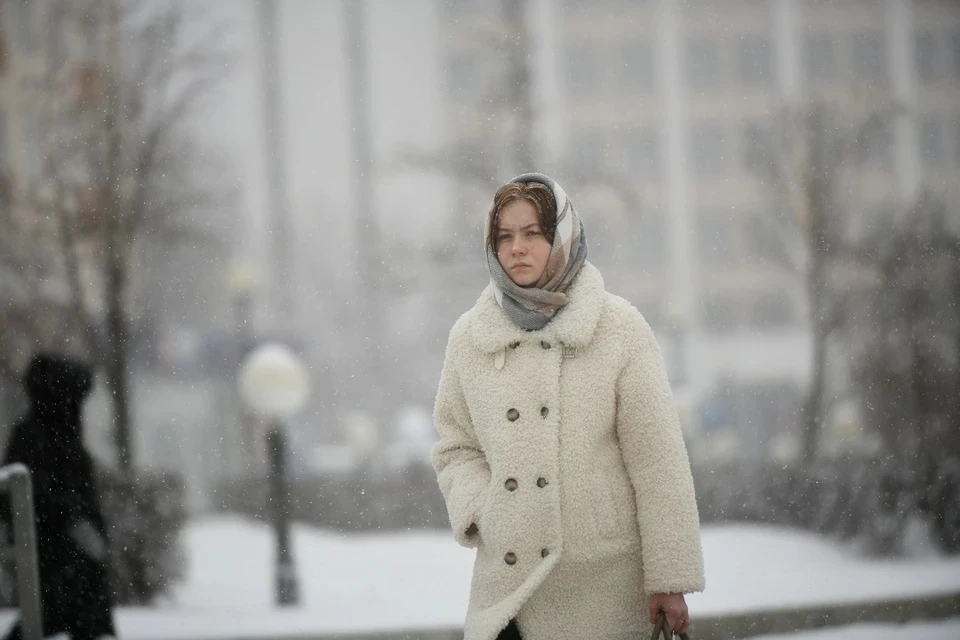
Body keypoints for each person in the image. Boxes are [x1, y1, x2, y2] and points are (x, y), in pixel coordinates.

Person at [431, 173, 704, 640]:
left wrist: (670, 578)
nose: (517, 248)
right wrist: (483, 509)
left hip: (603, 583)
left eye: (533, 233)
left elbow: (658, 461)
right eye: (504, 236)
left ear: (563, 237)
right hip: (508, 589)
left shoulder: (618, 328)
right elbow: (455, 446)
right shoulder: (471, 337)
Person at [2, 353, 116, 640]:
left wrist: (91, 531)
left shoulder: (64, 435)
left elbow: (79, 493)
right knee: (52, 613)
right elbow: (33, 495)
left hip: (68, 554)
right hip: (52, 551)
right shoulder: (36, 435)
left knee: (68, 614)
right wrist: (76, 523)